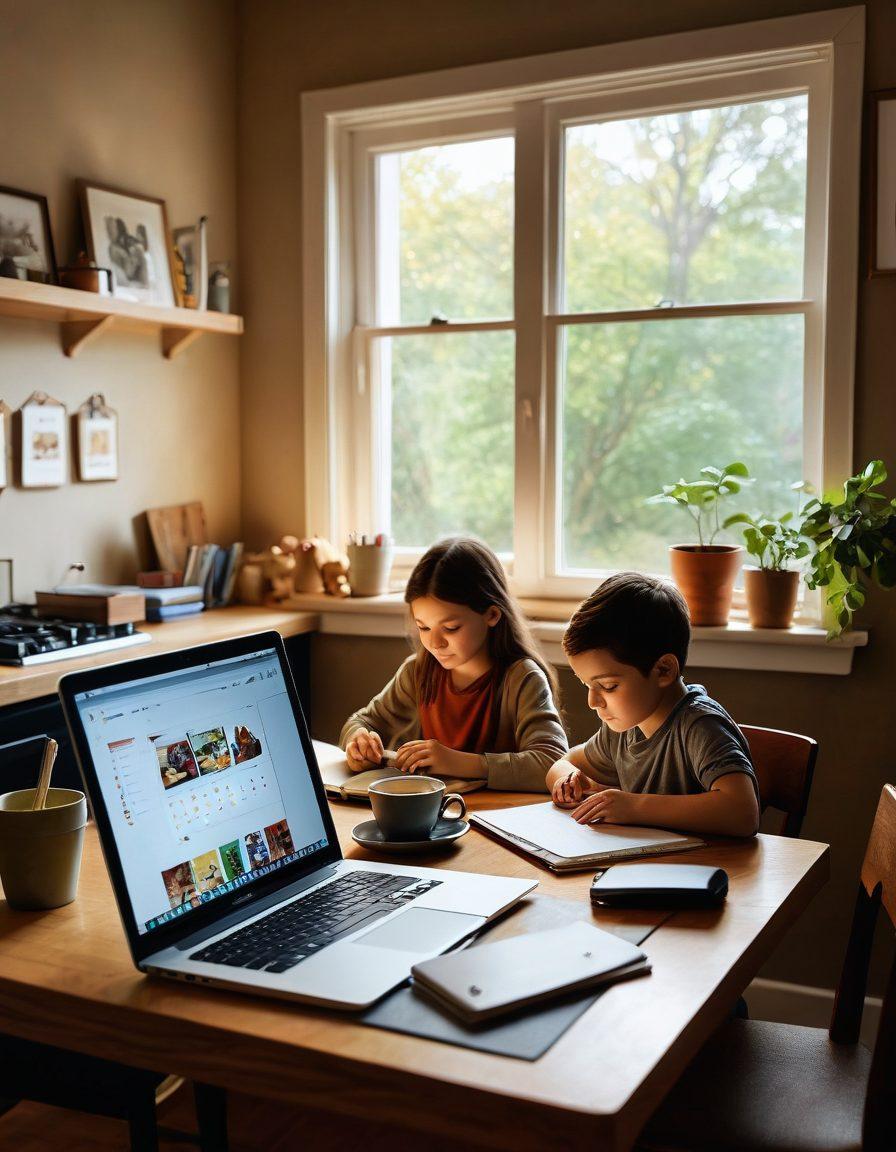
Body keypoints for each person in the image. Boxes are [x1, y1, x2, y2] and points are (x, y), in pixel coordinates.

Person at [340, 537, 568, 791]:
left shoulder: (522, 678)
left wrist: (459, 762)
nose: (435, 642)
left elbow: (554, 763)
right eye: (423, 627)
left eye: (451, 628)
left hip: (498, 818)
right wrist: (358, 741)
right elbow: (361, 722)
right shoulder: (417, 672)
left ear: (492, 615)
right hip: (434, 817)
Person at [546, 572, 760, 837]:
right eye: (587, 685)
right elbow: (562, 763)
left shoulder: (700, 726)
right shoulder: (623, 729)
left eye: (609, 686)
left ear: (663, 671)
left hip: (708, 872)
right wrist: (568, 781)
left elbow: (742, 813)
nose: (593, 701)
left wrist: (633, 805)